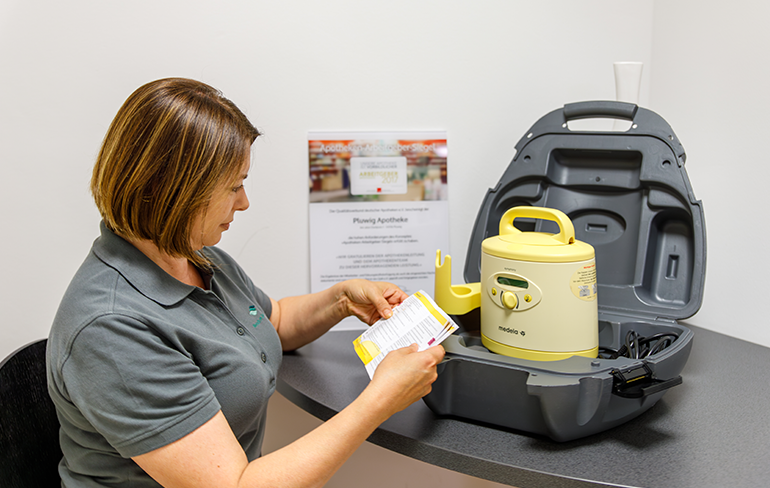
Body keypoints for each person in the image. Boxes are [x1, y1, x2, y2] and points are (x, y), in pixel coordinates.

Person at [46, 77, 445, 488]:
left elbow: (272, 322)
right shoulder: (112, 329)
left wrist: (342, 299)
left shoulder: (194, 256)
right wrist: (379, 401)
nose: (244, 202)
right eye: (234, 186)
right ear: (173, 192)